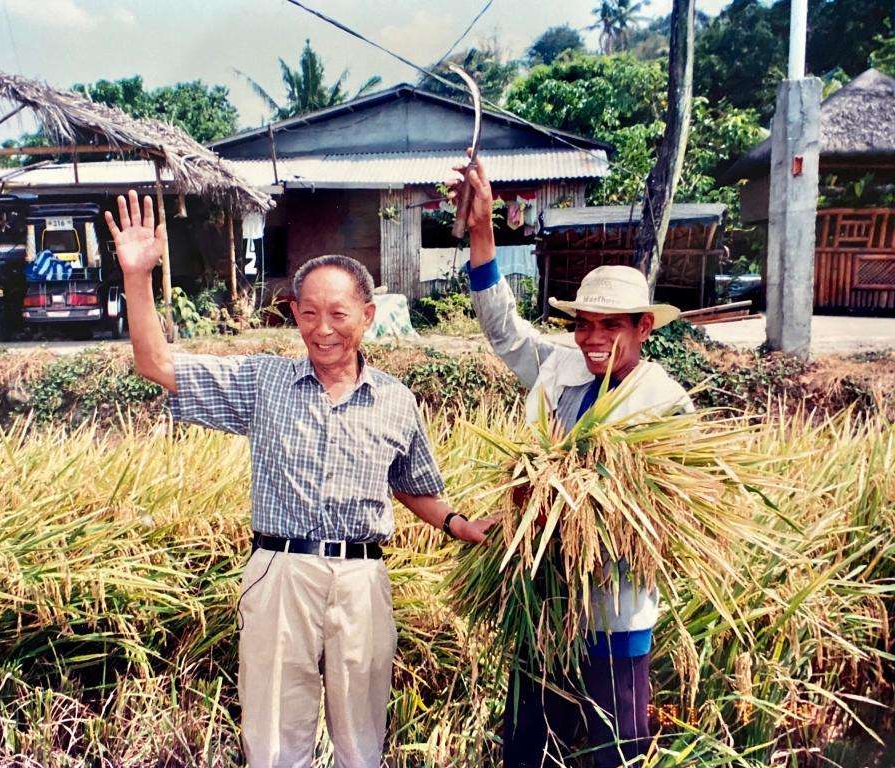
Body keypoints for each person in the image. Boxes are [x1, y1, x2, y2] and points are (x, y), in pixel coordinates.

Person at [104, 191, 495, 768]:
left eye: (338, 314)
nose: (323, 329)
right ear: (293, 315)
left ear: (367, 315)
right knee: (273, 739)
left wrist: (458, 523)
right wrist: (137, 277)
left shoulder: (395, 399)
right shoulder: (264, 382)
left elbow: (412, 484)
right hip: (280, 571)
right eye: (308, 313)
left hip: (363, 578)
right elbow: (156, 365)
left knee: (361, 741)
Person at [449, 159, 693, 768]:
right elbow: (503, 329)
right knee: (531, 744)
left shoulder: (663, 405)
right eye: (584, 325)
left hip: (615, 609)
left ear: (644, 328)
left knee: (615, 748)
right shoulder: (558, 367)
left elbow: (669, 518)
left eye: (611, 326)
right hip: (540, 598)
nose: (592, 339)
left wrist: (571, 504)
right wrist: (483, 234)